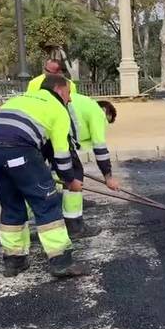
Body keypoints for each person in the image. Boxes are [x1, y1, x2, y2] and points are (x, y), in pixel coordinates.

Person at [0, 74, 89, 278]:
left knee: (11, 204)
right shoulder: (58, 109)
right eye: (68, 93)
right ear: (58, 90)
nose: (70, 99)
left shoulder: (19, 99)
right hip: (19, 149)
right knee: (46, 202)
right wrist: (70, 180)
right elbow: (61, 153)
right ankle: (60, 261)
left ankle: (14, 261)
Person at [62, 93, 119, 239]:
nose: (104, 125)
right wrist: (108, 178)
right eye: (107, 121)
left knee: (60, 175)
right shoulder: (97, 112)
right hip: (59, 141)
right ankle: (74, 227)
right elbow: (99, 148)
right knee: (75, 175)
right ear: (105, 111)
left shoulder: (83, 104)